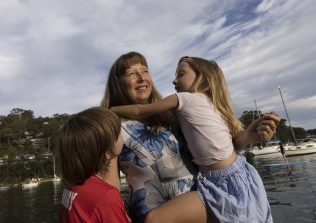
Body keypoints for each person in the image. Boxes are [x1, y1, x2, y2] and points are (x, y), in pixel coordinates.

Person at [101, 52, 279, 223]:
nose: (141, 77)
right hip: (153, 214)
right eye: (132, 73)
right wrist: (116, 215)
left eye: (145, 70)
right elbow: (109, 183)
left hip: (207, 203)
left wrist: (248, 136)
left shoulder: (174, 114)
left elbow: (218, 148)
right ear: (118, 83)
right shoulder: (111, 126)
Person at [59, 107, 129, 223]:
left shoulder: (71, 186)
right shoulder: (107, 197)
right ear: (107, 151)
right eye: (118, 134)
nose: (122, 138)